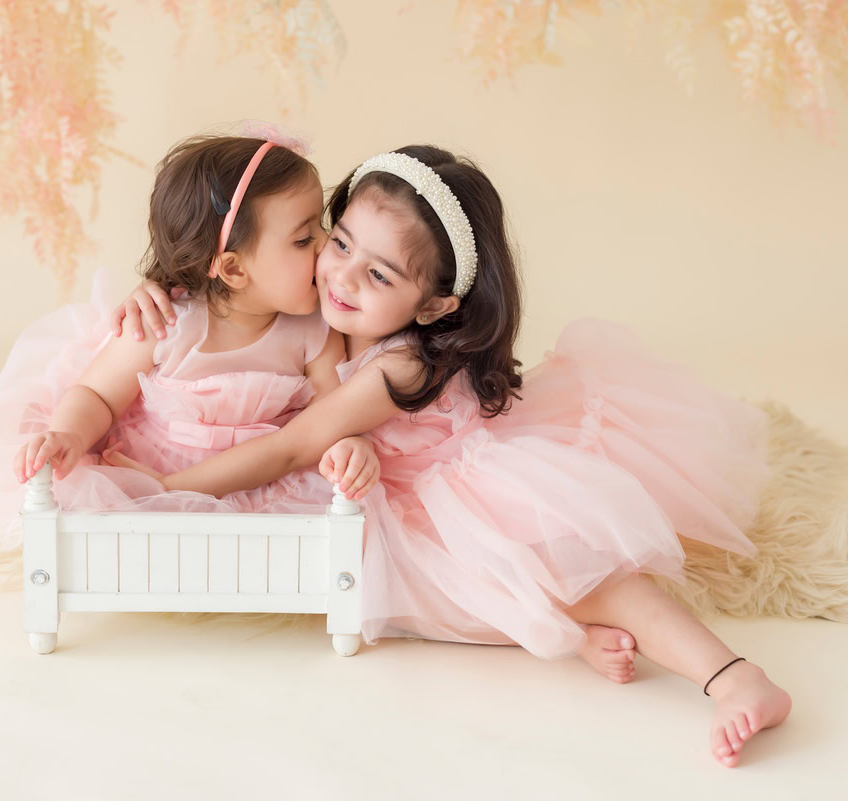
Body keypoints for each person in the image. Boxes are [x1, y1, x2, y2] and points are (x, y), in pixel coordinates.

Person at [106, 145, 792, 767]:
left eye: (376, 274)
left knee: (587, 575)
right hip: (399, 489)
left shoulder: (401, 364)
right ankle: (567, 630)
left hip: (463, 487)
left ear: (433, 305)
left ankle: (732, 675)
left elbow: (292, 443)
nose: (338, 275)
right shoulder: (320, 306)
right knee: (433, 606)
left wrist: (171, 487)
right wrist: (160, 285)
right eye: (336, 241)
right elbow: (233, 293)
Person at [0, 133, 363, 550]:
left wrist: (348, 447)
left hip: (265, 481)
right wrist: (71, 434)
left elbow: (330, 420)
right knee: (119, 541)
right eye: (304, 239)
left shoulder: (316, 333)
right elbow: (96, 392)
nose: (327, 245)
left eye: (319, 227)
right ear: (235, 269)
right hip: (143, 473)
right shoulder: (168, 323)